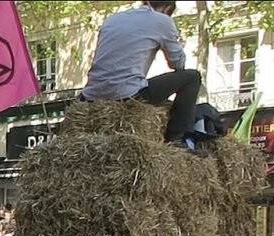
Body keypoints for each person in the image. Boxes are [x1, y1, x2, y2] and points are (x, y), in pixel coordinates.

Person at [80, 1, 199, 146]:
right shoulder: (162, 20)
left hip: (90, 96)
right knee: (193, 77)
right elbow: (177, 64)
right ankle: (177, 140)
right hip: (127, 95)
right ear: (167, 8)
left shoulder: (112, 19)